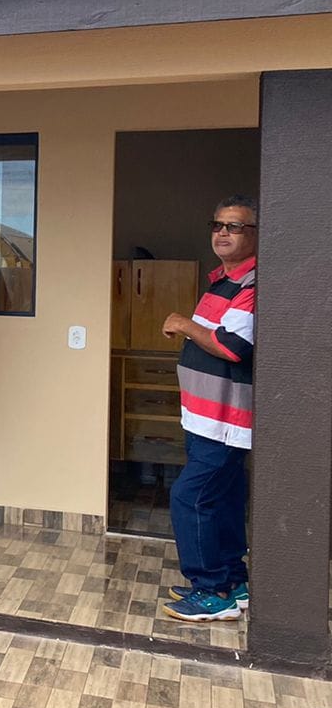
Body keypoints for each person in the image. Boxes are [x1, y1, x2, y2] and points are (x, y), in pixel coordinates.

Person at [160, 197, 258, 623]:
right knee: (223, 499)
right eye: (217, 224)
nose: (222, 232)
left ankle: (210, 589)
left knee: (190, 497)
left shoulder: (252, 286)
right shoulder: (221, 281)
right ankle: (234, 581)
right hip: (204, 417)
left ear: (255, 235)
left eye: (234, 227)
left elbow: (232, 347)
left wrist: (184, 324)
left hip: (226, 420)